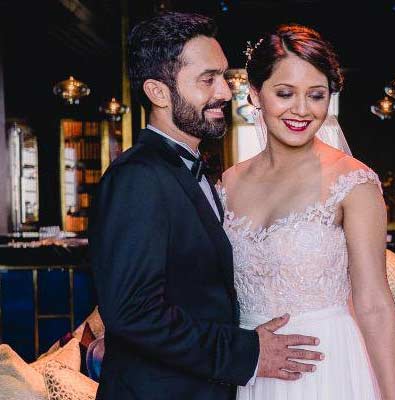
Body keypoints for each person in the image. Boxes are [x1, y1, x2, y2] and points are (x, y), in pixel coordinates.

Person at [90, 13, 322, 400]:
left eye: (224, 78)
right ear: (158, 92)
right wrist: (247, 352)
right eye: (208, 79)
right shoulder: (137, 178)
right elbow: (134, 313)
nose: (226, 93)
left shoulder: (191, 170)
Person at [218, 24, 395, 399]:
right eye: (285, 93)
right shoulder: (229, 183)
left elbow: (374, 304)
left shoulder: (354, 183)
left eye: (316, 95)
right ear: (255, 93)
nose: (301, 110)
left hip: (328, 368)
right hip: (252, 372)